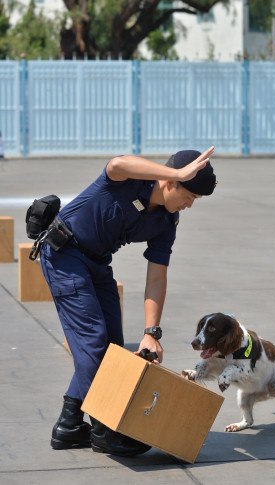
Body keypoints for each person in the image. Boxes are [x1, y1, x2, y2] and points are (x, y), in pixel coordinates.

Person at [40, 146, 217, 457]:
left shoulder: (167, 221)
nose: (191, 204)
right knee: (93, 341)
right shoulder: (128, 181)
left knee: (110, 346)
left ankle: (69, 426)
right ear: (171, 183)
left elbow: (157, 277)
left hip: (96, 264)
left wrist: (152, 331)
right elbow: (117, 162)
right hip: (64, 256)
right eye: (190, 195)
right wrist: (177, 171)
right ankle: (106, 429)